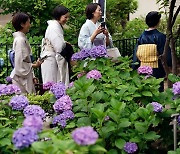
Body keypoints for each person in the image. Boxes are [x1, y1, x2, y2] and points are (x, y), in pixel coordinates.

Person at [132, 11, 172, 92]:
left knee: (146, 91)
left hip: (143, 68)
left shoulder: (141, 37)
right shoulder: (160, 37)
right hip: (156, 69)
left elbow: (136, 56)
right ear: (158, 22)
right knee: (157, 92)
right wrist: (169, 64)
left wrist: (134, 67)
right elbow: (166, 56)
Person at [41, 5, 74, 86]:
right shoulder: (54, 27)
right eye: (65, 17)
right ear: (59, 16)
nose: (67, 19)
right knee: (51, 84)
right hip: (50, 58)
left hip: (51, 57)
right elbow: (59, 46)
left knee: (53, 83)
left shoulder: (55, 26)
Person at [10, 12, 42, 94]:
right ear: (22, 24)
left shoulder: (20, 38)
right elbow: (20, 63)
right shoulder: (20, 40)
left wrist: (33, 75)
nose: (30, 25)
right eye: (28, 22)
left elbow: (24, 61)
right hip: (21, 79)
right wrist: (34, 65)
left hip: (24, 76)